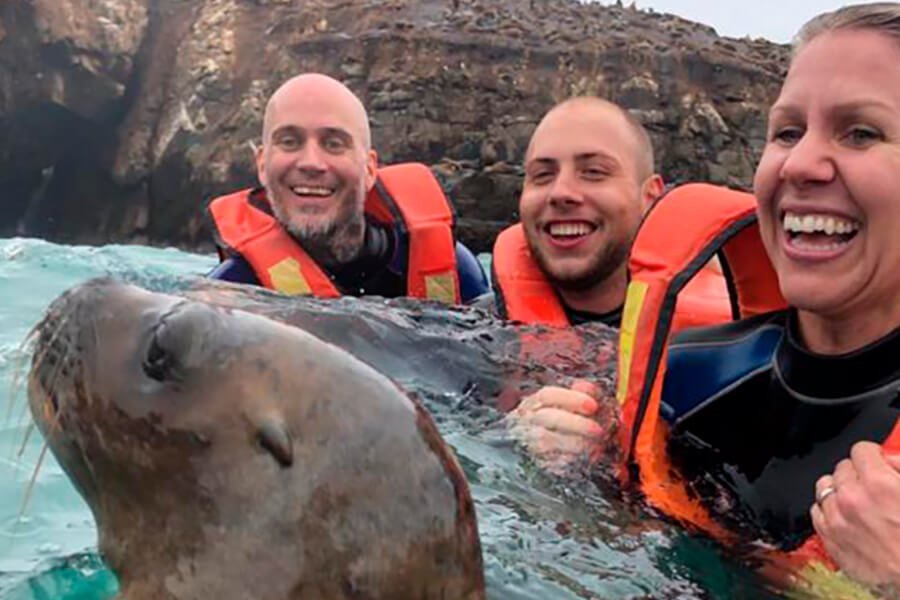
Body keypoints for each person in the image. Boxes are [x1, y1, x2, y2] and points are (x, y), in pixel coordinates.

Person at [509, 3, 900, 591]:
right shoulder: (682, 381)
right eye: (787, 132)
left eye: (861, 133)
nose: (799, 164)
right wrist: (555, 469)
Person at [207, 73, 489, 304]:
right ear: (262, 165)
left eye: (334, 144)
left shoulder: (455, 272)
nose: (311, 163)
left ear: (369, 170)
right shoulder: (231, 297)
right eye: (290, 142)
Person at [490, 96, 731, 329]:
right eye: (542, 175)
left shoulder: (729, 338)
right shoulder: (480, 331)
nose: (560, 193)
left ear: (649, 198)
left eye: (594, 172)